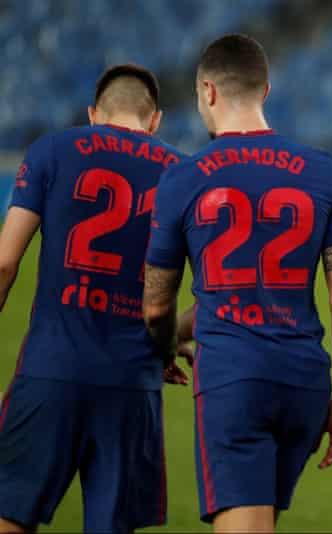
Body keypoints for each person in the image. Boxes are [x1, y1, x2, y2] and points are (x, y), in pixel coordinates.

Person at [143, 34, 332, 531]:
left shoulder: (183, 178)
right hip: (304, 383)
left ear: (207, 92)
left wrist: (162, 348)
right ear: (265, 91)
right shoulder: (325, 174)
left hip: (233, 382)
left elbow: (155, 306)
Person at [0, 64, 185, 532]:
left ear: (92, 113)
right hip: (132, 379)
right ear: (155, 119)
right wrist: (166, 343)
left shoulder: (51, 150)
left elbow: (4, 263)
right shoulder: (182, 172)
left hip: (49, 368)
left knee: (10, 516)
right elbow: (211, 289)